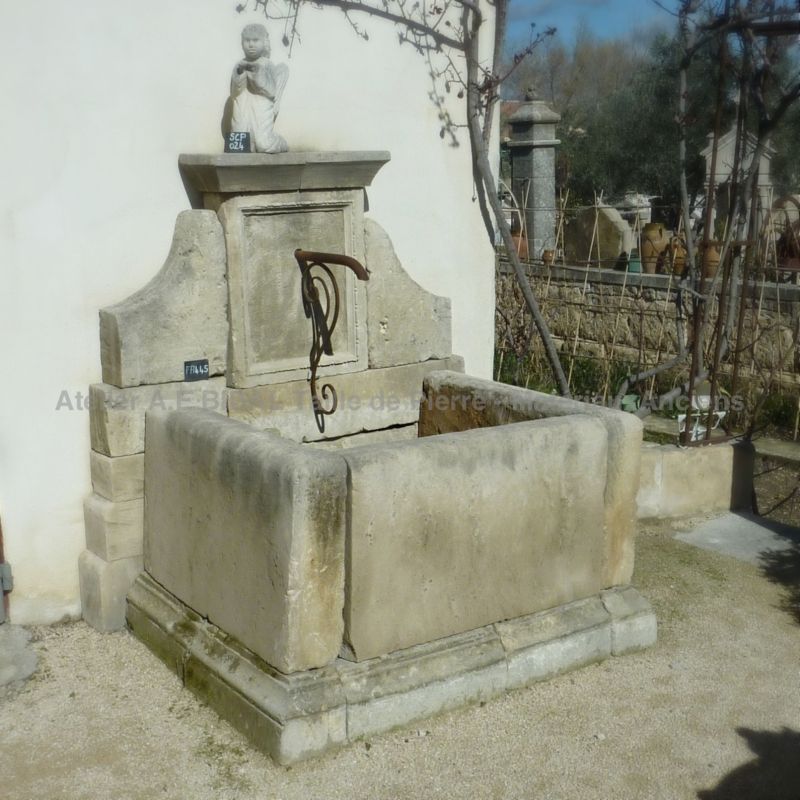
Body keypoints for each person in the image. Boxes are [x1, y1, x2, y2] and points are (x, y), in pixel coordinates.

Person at [229, 24, 288, 153]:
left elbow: (271, 91)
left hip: (260, 109)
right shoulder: (239, 64)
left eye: (255, 40)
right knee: (238, 147)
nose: (251, 45)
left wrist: (257, 75)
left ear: (264, 42)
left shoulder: (267, 64)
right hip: (242, 108)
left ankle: (281, 143)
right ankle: (248, 144)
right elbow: (234, 93)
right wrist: (240, 75)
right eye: (247, 40)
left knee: (264, 144)